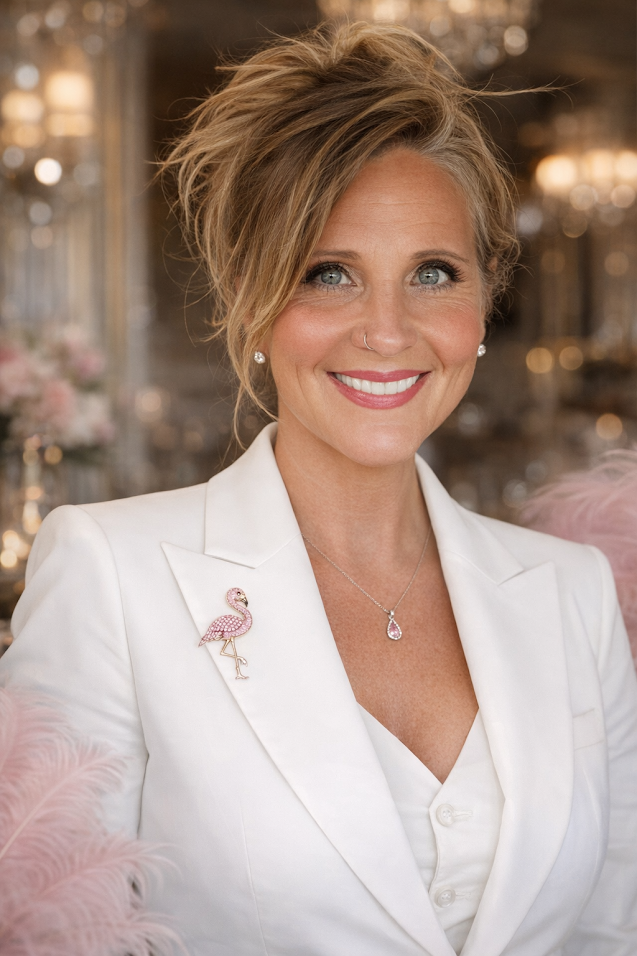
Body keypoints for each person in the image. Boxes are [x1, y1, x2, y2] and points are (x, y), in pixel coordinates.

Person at [2, 21, 637, 956]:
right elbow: (49, 926)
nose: (386, 331)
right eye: (327, 274)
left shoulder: (573, 592)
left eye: (433, 273)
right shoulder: (108, 573)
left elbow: (609, 927)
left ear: (483, 301)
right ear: (250, 301)